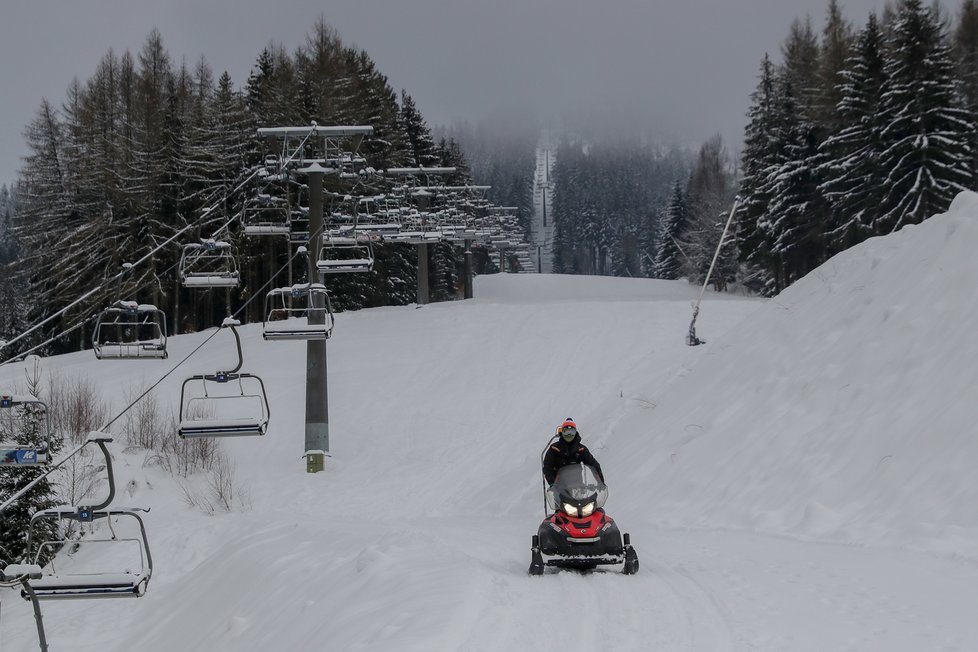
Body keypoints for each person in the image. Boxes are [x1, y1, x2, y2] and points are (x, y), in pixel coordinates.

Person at [542, 418, 604, 486]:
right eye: (566, 432)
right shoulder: (554, 449)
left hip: (578, 487)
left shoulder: (581, 449)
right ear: (562, 432)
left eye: (571, 432)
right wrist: (552, 483)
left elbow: (594, 465)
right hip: (559, 488)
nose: (569, 435)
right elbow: (547, 467)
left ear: (575, 432)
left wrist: (601, 483)